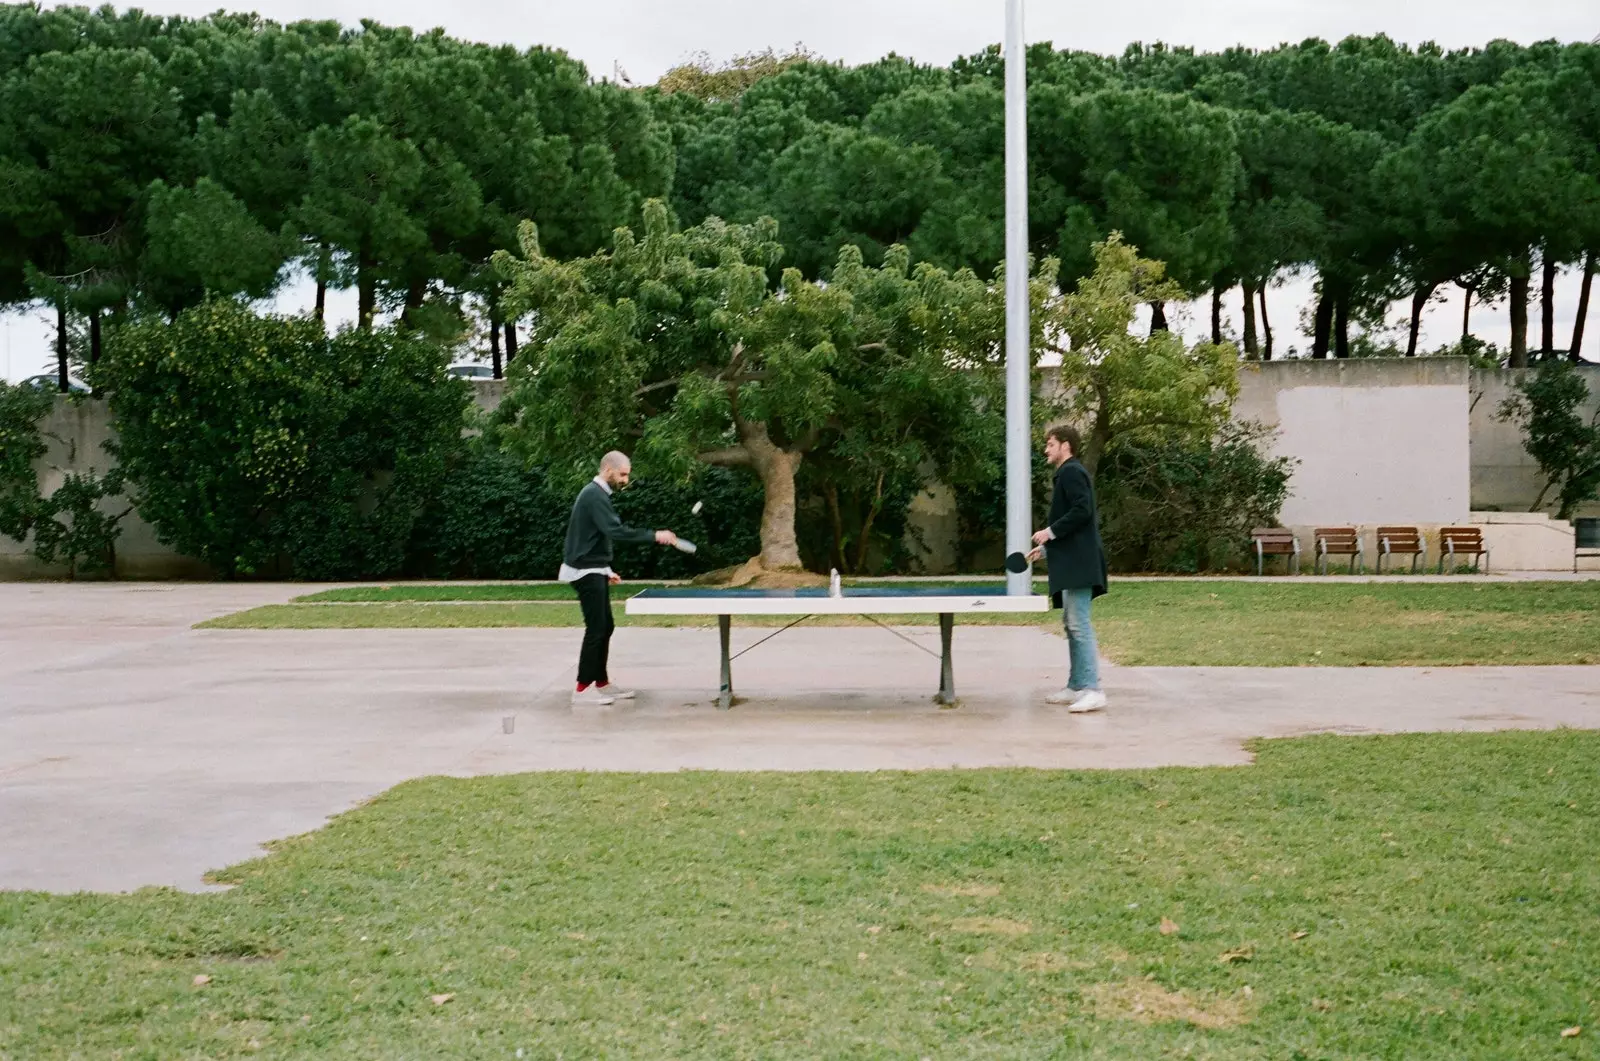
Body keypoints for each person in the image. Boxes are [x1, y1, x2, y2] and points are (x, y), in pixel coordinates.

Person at [560, 451, 678, 705]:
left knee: (606, 626)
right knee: (597, 628)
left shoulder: (598, 495)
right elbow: (615, 531)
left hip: (593, 568)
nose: (626, 480)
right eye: (623, 474)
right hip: (584, 571)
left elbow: (593, 536)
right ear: (608, 470)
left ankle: (601, 683)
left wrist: (605, 569)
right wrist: (654, 535)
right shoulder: (593, 495)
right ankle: (582, 689)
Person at [1027, 424, 1109, 712]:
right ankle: (1076, 686)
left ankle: (1092, 689)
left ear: (1065, 446)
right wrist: (1046, 549)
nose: (1046, 449)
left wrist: (1049, 532)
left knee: (1078, 624)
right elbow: (1074, 523)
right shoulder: (1066, 474)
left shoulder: (1072, 472)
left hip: (1081, 564)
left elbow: (1082, 510)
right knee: (1071, 624)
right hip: (1076, 561)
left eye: (1050, 444)